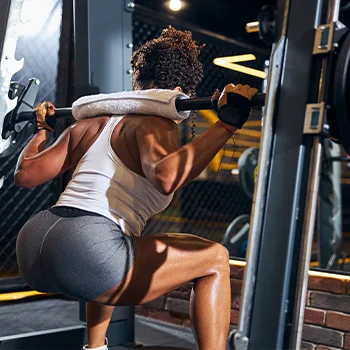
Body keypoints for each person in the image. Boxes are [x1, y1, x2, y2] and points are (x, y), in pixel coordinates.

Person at [15, 26, 258, 350]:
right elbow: (166, 175)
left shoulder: (88, 124)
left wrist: (41, 131)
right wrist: (226, 124)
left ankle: (96, 347)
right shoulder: (153, 123)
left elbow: (26, 173)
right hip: (88, 247)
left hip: (34, 244)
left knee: (118, 243)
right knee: (215, 259)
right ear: (178, 91)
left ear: (138, 82)